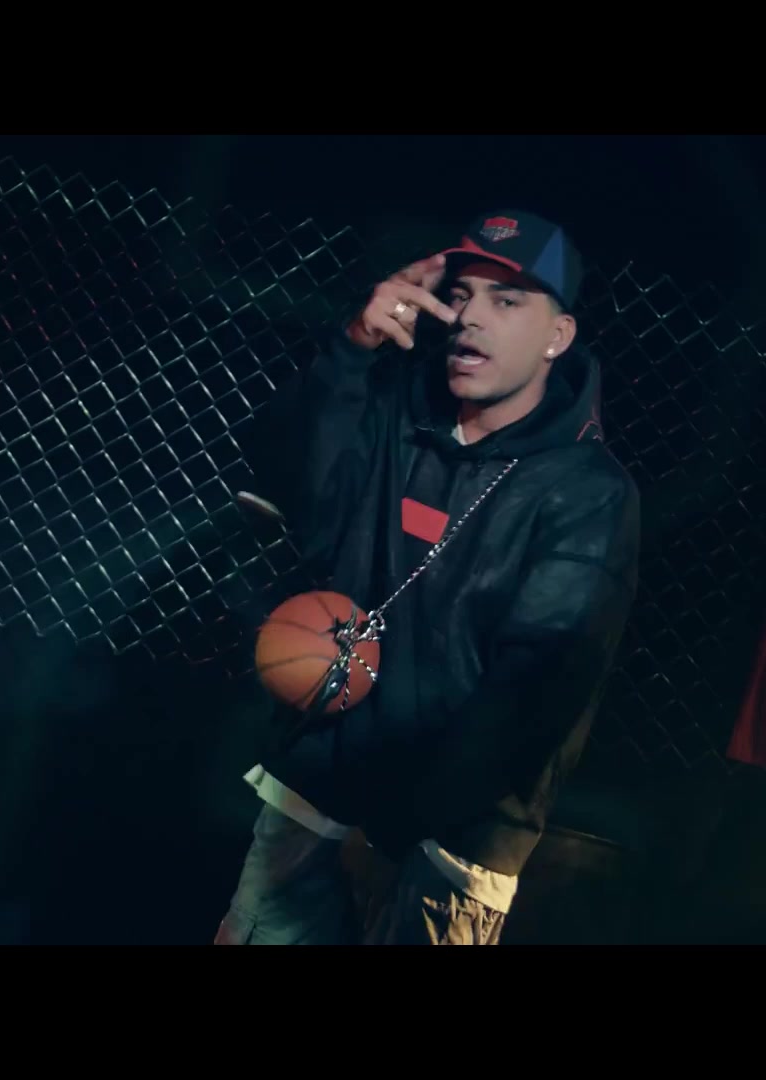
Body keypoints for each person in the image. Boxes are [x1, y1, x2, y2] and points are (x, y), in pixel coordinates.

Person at [215, 210, 641, 945]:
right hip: (321, 782)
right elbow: (292, 480)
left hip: (455, 835)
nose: (471, 316)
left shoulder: (588, 491)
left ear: (558, 336)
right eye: (464, 294)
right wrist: (354, 348)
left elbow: (537, 686)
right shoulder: (397, 416)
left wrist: (400, 819)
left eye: (507, 301)